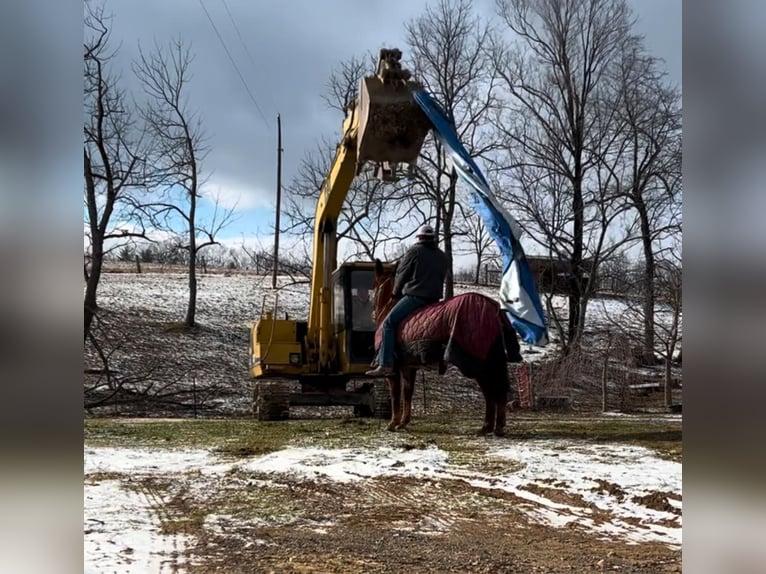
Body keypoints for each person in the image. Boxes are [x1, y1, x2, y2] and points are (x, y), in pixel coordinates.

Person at [366, 223, 450, 376]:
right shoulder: (442, 256)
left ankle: (385, 364)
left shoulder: (414, 251)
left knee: (389, 323)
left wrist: (395, 293)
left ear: (419, 238)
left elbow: (402, 274)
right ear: (432, 239)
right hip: (434, 301)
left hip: (415, 298)